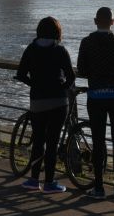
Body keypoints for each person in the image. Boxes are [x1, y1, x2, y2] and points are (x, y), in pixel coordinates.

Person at [14, 16, 76, 194]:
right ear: (58, 32)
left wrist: (35, 84)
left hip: (37, 101)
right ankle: (49, 182)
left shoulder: (31, 49)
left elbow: (21, 74)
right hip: (58, 102)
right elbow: (71, 76)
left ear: (38, 31)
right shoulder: (60, 50)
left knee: (39, 139)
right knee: (53, 141)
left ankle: (33, 180)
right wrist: (62, 87)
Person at [76, 6, 114, 199]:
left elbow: (82, 70)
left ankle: (99, 187)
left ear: (95, 21)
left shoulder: (87, 42)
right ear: (112, 21)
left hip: (97, 97)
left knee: (98, 141)